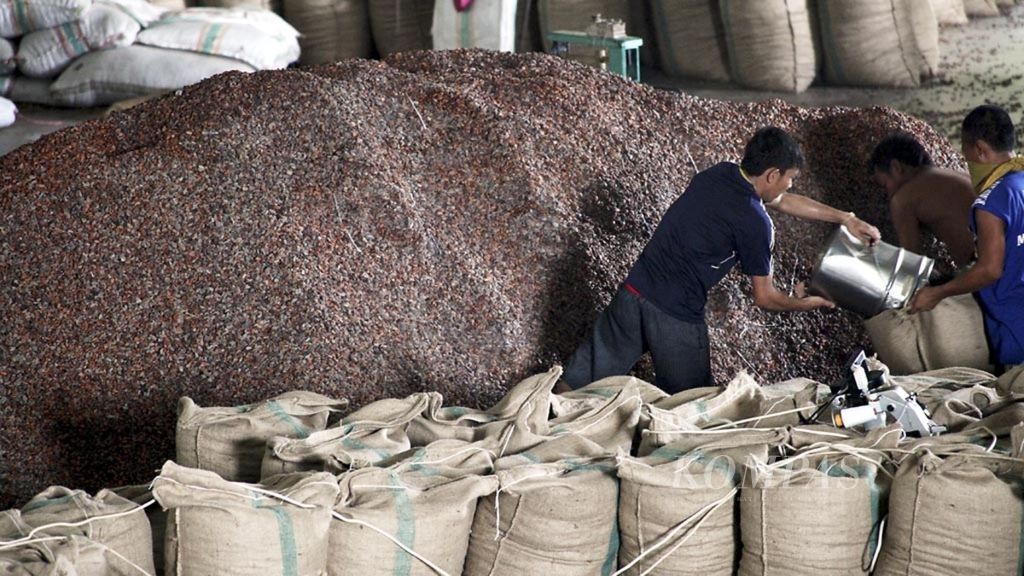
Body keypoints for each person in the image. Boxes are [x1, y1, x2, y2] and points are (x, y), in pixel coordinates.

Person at [561, 127, 881, 394]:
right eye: (790, 178)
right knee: (692, 405)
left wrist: (845, 218)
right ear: (772, 174)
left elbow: (781, 200)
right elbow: (765, 297)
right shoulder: (756, 223)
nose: (790, 185)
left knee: (575, 384)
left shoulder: (718, 174)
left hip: (634, 291)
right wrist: (809, 303)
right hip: (675, 314)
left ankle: (540, 431)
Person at [909, 104, 1024, 368]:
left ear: (980, 150)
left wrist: (938, 293)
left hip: (1016, 328)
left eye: (966, 154)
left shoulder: (992, 202)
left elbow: (990, 270)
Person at [870, 131, 976, 267]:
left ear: (896, 167)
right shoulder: (955, 174)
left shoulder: (903, 198)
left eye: (885, 185)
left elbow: (910, 260)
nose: (888, 194)